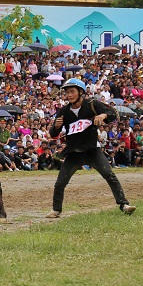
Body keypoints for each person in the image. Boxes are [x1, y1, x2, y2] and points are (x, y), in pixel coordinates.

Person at [47, 78, 136, 217]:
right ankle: (56, 210)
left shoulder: (92, 104)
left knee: (109, 175)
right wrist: (56, 127)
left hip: (92, 149)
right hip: (73, 152)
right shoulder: (64, 111)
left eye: (72, 92)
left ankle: (124, 204)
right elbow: (53, 134)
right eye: (67, 92)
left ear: (81, 92)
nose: (69, 95)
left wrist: (103, 114)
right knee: (60, 183)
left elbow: (113, 113)